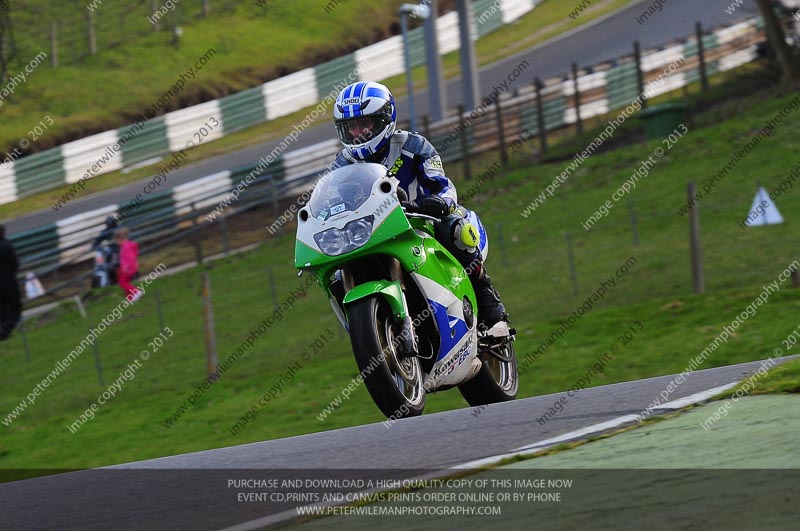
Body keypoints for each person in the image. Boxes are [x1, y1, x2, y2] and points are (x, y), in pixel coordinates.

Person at [329, 81, 508, 331]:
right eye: (351, 127)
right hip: (370, 234)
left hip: (420, 220)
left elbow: (442, 184)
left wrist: (440, 202)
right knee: (336, 275)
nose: (358, 134)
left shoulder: (413, 146)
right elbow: (330, 205)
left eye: (364, 125)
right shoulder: (340, 166)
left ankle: (490, 305)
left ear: (384, 119)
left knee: (456, 228)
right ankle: (366, 329)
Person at [0, 224, 22, 341]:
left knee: (2, 307)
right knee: (16, 306)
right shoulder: (7, 246)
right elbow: (15, 264)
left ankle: (2, 329)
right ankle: (7, 328)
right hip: (8, 280)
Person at [115, 227, 142, 302]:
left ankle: (136, 292)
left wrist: (126, 267)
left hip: (129, 269)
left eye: (117, 241)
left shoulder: (126, 246)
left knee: (122, 283)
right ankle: (130, 297)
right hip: (129, 268)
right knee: (124, 281)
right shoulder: (127, 245)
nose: (117, 243)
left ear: (121, 239)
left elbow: (131, 257)